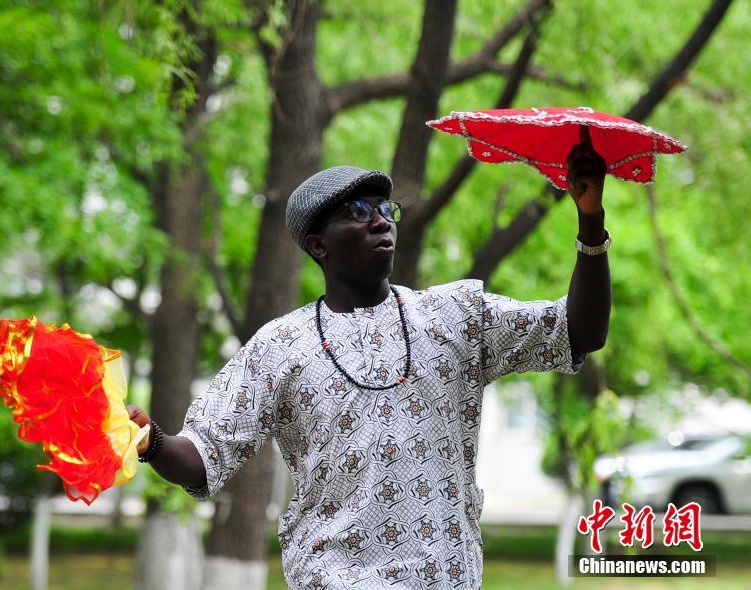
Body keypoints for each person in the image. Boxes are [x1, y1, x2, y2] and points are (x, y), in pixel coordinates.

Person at [128, 140, 611, 589]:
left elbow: (579, 331)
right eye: (357, 212)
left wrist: (590, 221)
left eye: (385, 210)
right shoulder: (279, 346)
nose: (381, 221)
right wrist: (151, 442)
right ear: (319, 245)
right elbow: (202, 459)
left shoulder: (457, 316)